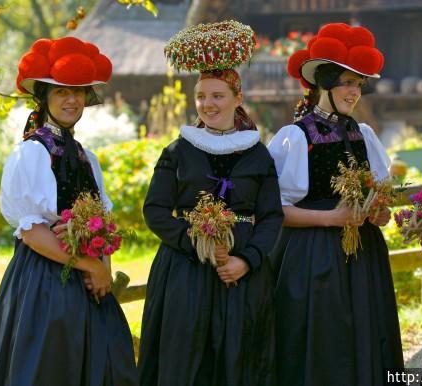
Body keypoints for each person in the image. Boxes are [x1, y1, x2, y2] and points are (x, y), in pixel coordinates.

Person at [138, 21, 283, 386]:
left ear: (237, 99)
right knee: (186, 356)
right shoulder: (177, 151)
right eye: (201, 96)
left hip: (241, 273)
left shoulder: (258, 154)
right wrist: (196, 243)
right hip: (185, 270)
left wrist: (245, 262)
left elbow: (271, 217)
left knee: (240, 355)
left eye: (218, 96)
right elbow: (154, 210)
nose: (208, 104)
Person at [0, 37, 138, 386]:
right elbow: (32, 232)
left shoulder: (86, 156)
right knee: (50, 367)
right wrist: (90, 265)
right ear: (44, 97)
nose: (72, 99)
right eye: (61, 92)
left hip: (89, 283)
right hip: (44, 282)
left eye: (78, 92)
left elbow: (100, 224)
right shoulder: (33, 152)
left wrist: (102, 267)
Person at [267, 23, 404, 386]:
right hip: (312, 258)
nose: (354, 91)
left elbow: (382, 205)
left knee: (365, 331)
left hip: (363, 257)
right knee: (324, 340)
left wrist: (379, 212)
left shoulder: (363, 134)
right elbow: (275, 211)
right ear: (324, 83)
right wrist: (332, 218)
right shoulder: (295, 137)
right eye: (347, 82)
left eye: (359, 84)